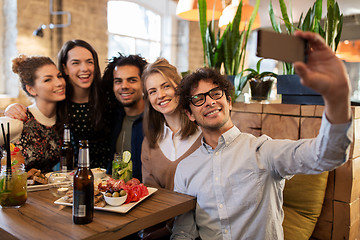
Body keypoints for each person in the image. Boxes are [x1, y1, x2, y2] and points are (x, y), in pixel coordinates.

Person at [171, 31, 353, 240]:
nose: (210, 101)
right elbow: (183, 231)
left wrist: (337, 98)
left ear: (229, 102)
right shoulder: (185, 169)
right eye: (198, 99)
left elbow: (327, 155)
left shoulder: (263, 150)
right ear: (189, 114)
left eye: (215, 93)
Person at [5, 40, 112, 169]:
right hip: (71, 178)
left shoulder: (108, 97)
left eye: (89, 61)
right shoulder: (59, 104)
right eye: (76, 63)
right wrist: (10, 110)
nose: (84, 68)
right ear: (65, 68)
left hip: (106, 174)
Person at [140, 58, 202, 239]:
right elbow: (150, 195)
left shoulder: (204, 133)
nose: (160, 95)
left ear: (180, 87)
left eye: (166, 86)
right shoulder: (150, 142)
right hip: (161, 231)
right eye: (152, 91)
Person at [0, 55, 65, 172]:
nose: (59, 83)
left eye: (59, 76)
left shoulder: (61, 119)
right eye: (48, 79)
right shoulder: (17, 120)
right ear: (31, 89)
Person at [102, 53, 147, 180]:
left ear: (144, 83)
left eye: (132, 80)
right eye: (118, 81)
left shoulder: (157, 120)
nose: (124, 86)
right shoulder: (112, 118)